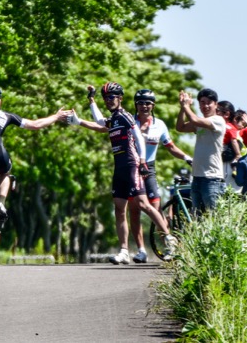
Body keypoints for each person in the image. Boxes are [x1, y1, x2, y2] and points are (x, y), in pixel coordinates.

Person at [67, 82, 178, 264]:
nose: (108, 101)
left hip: (132, 164)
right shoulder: (114, 118)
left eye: (111, 97)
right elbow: (100, 123)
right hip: (119, 167)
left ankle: (168, 238)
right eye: (106, 98)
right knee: (119, 209)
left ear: (120, 98)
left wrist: (142, 160)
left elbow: (139, 139)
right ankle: (124, 251)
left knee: (143, 205)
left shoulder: (126, 117)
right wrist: (90, 102)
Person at [0, 85, 69, 255]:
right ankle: (0, 203)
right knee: (5, 172)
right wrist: (56, 116)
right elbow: (35, 125)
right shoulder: (5, 115)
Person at [129, 89, 192, 263]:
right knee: (134, 211)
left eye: (148, 103)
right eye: (141, 103)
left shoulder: (160, 125)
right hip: (131, 167)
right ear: (136, 105)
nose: (144, 106)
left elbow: (171, 147)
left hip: (149, 168)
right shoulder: (130, 121)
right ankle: (141, 250)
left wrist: (187, 157)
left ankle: (169, 245)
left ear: (153, 106)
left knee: (155, 209)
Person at [176, 88, 226, 213]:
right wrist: (183, 107)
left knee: (214, 218)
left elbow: (195, 120)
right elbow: (180, 127)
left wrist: (186, 106)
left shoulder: (218, 120)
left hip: (212, 178)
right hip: (197, 177)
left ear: (216, 104)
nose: (205, 106)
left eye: (209, 102)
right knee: (197, 219)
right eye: (202, 103)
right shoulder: (199, 123)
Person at [217, 100, 242, 193]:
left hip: (227, 162)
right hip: (221, 159)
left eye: (217, 110)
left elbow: (233, 140)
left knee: (228, 189)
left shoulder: (228, 127)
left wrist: (238, 154)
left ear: (226, 114)